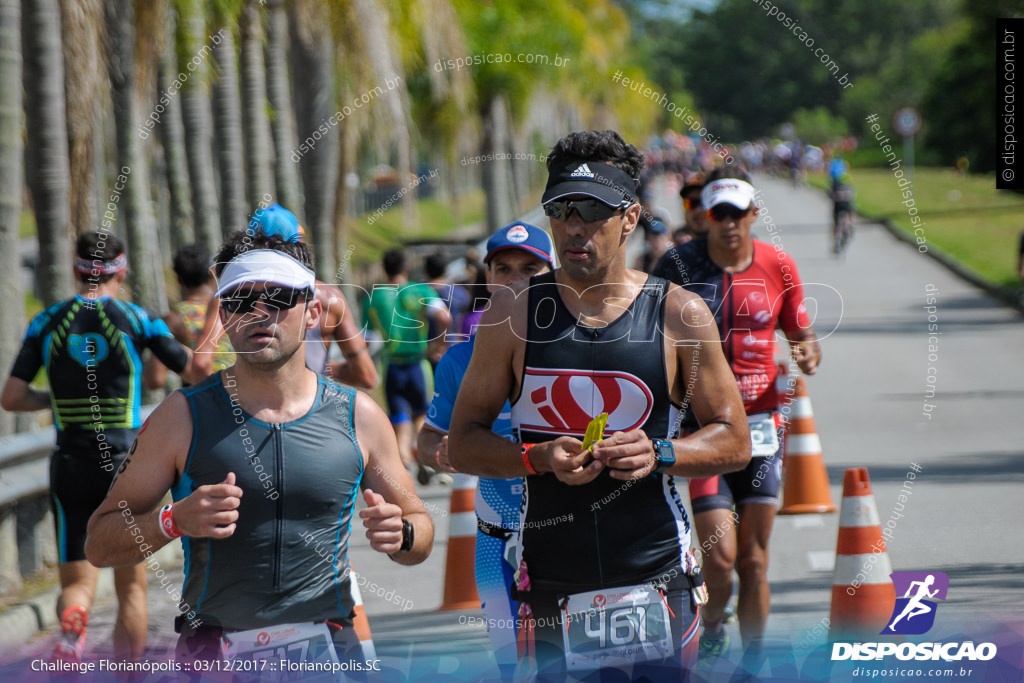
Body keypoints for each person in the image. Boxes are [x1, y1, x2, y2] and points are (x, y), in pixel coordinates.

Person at [448, 130, 750, 680]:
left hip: (657, 572)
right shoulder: (511, 316)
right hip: (551, 579)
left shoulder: (677, 315)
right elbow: (462, 441)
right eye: (560, 209)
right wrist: (534, 460)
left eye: (591, 210)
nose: (573, 226)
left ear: (630, 217)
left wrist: (661, 453)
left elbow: (734, 439)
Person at [84, 231, 433, 665]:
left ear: (312, 312)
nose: (259, 313)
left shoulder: (357, 414)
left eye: (278, 298)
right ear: (225, 317)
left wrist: (403, 535)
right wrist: (173, 521)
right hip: (213, 653)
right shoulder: (182, 417)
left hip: (330, 651)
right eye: (240, 301)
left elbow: (419, 525)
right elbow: (100, 542)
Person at [653, 168, 822, 660]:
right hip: (704, 430)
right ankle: (710, 625)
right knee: (720, 562)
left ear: (753, 213)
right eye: (718, 213)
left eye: (737, 212)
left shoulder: (778, 265)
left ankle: (753, 660)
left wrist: (809, 353)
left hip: (763, 429)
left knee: (753, 559)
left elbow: (800, 334)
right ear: (705, 215)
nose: (728, 223)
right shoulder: (678, 265)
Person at [1, 232, 193, 662]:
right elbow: (193, 372)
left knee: (76, 582)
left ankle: (72, 630)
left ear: (75, 271)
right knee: (130, 587)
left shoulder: (45, 321)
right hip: (127, 466)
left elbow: (11, 397)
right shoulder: (139, 319)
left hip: (70, 461)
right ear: (121, 271)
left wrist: (55, 400)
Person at [417, 222, 555, 679]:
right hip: (495, 539)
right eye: (504, 269)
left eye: (530, 269)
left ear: (553, 274)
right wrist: (441, 451)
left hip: (569, 534)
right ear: (488, 278)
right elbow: (429, 438)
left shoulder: (583, 349)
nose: (515, 279)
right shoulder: (459, 360)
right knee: (513, 668)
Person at [190, 204, 377, 389]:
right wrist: (320, 373)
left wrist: (223, 402)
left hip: (253, 409)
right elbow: (366, 375)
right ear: (299, 243)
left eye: (281, 301)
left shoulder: (232, 295)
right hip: (311, 408)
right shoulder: (330, 298)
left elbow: (201, 363)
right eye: (247, 303)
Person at [363, 249, 451, 474]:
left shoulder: (373, 298)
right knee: (421, 414)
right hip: (417, 363)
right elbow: (444, 316)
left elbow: (367, 339)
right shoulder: (420, 290)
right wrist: (438, 344)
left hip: (391, 365)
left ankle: (406, 467)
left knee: (399, 421)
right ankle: (424, 458)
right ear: (405, 268)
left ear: (385, 269)